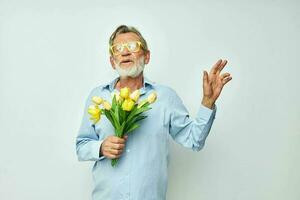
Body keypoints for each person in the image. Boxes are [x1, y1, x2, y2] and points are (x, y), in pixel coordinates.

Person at [75, 25, 232, 200]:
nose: (125, 52)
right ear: (112, 61)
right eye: (118, 49)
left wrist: (208, 102)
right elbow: (81, 146)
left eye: (133, 46)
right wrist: (101, 147)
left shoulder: (165, 97)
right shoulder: (98, 96)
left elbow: (194, 140)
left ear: (147, 56)